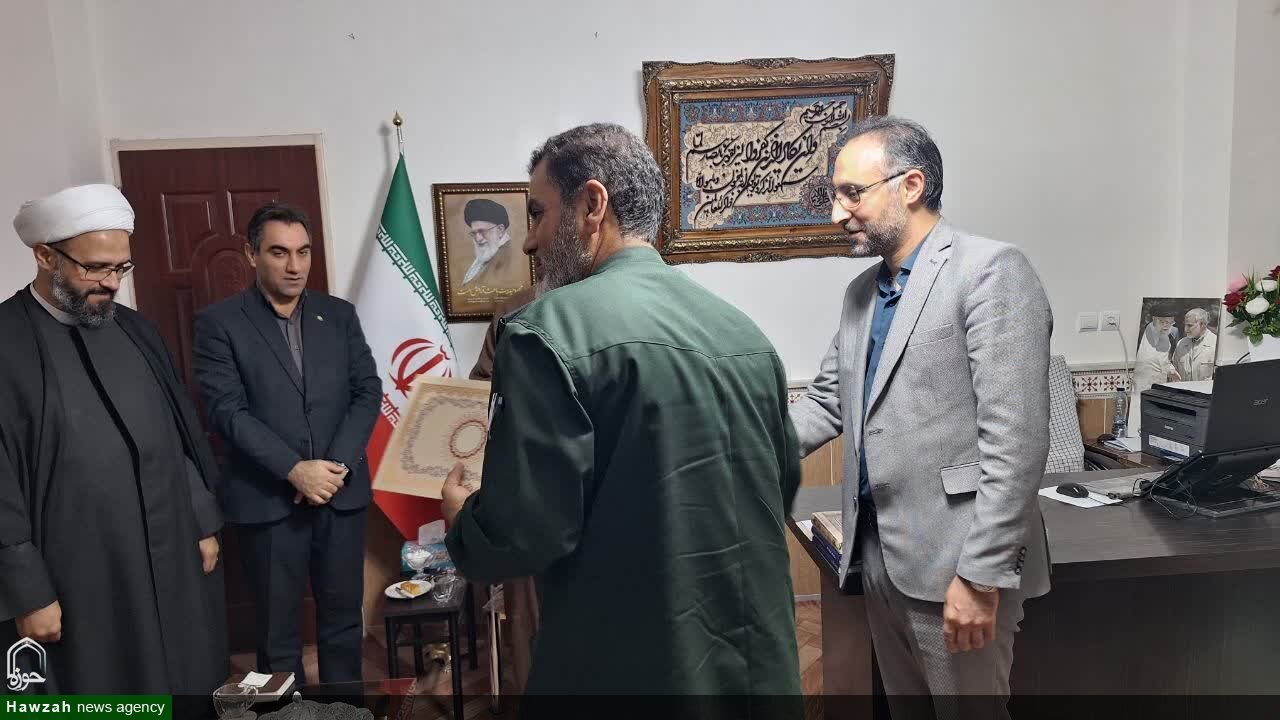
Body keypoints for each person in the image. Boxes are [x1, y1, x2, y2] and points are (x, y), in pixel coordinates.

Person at [440, 123, 802, 698]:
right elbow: (780, 488)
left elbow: (523, 533)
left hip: (632, 665)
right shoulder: (745, 333)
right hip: (758, 669)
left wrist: (464, 522)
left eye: (538, 214)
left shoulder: (545, 332)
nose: (530, 242)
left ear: (592, 205)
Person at [790, 117, 1052, 719]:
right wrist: (732, 450)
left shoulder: (991, 271)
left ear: (910, 186)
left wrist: (980, 577)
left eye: (851, 193)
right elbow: (829, 401)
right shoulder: (862, 293)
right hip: (881, 557)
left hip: (958, 563)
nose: (837, 212)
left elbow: (1016, 443)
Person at [0, 184, 226, 694]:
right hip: (75, 571)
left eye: (121, 268)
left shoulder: (136, 331)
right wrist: (27, 591)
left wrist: (201, 519)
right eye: (96, 268)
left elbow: (176, 432)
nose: (112, 283)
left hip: (169, 549)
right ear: (44, 256)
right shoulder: (6, 341)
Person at [193, 202, 381, 683]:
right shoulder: (220, 323)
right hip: (268, 500)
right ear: (251, 254)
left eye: (303, 252)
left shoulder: (339, 315)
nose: (295, 266)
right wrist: (295, 470)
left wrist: (335, 467)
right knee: (277, 634)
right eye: (279, 252)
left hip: (340, 494)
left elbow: (367, 392)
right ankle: (284, 715)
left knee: (344, 623)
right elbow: (226, 411)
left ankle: (345, 714)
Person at [466, 285, 538, 695]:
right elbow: (481, 389)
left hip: (601, 492)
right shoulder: (514, 310)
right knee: (527, 619)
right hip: (526, 490)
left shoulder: (615, 302)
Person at [461, 198, 518, 286]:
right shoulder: (487, 255)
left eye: (482, 231)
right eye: (474, 233)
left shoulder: (508, 257)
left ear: (500, 230)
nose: (478, 238)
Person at [1170, 308, 1217, 381]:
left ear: (1202, 324)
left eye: (1190, 325)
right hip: (1183, 388)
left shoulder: (1216, 344)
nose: (1185, 329)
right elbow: (1174, 372)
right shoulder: (1181, 343)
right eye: (1185, 325)